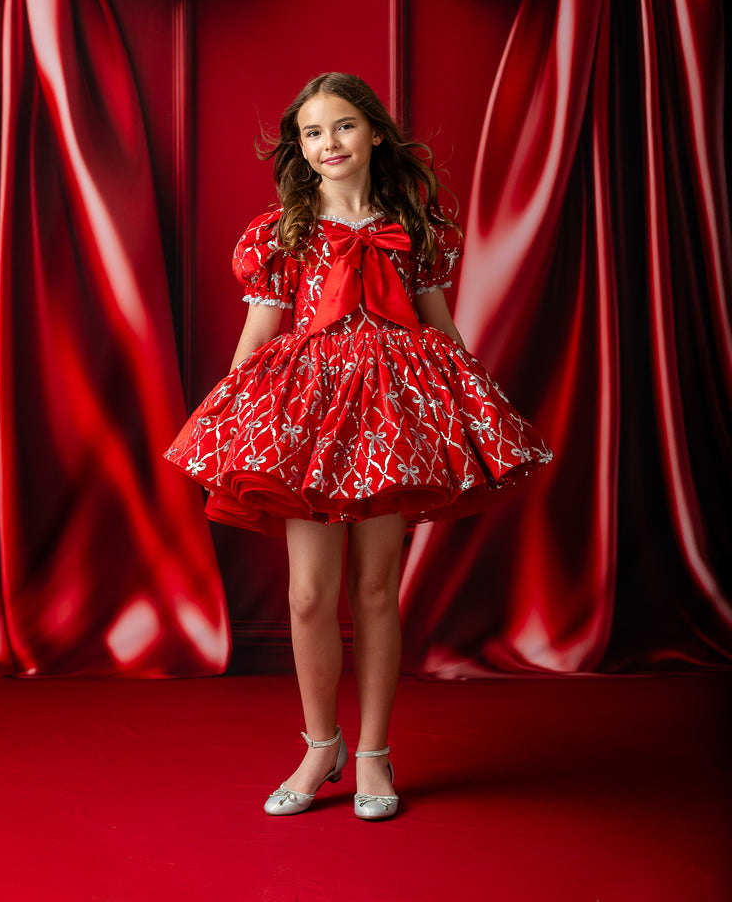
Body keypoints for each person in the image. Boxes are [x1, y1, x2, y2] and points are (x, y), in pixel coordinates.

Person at [165, 72, 552, 819]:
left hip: (391, 419)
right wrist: (231, 419)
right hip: (307, 417)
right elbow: (260, 334)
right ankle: (321, 744)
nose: (328, 142)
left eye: (343, 126)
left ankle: (373, 750)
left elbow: (438, 323)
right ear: (300, 148)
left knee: (374, 590)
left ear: (374, 131)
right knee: (308, 594)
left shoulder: (418, 223)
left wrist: (474, 411)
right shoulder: (281, 231)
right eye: (312, 132)